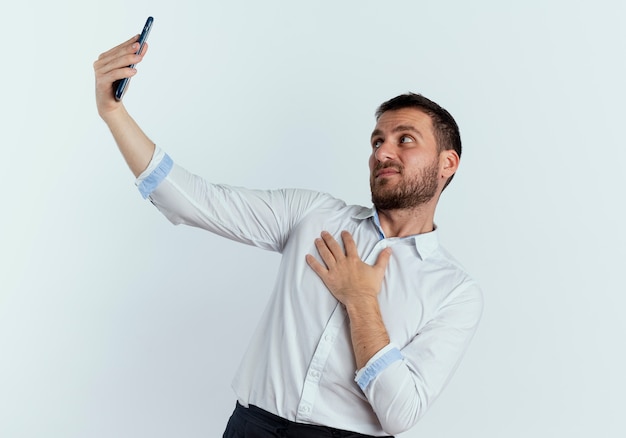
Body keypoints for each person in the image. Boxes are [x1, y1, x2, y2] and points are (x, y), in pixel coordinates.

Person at [94, 35, 483, 438]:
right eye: (377, 141)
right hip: (251, 427)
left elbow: (401, 413)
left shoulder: (455, 292)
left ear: (447, 164)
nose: (383, 152)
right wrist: (112, 112)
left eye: (405, 139)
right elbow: (195, 201)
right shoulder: (314, 215)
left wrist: (361, 301)